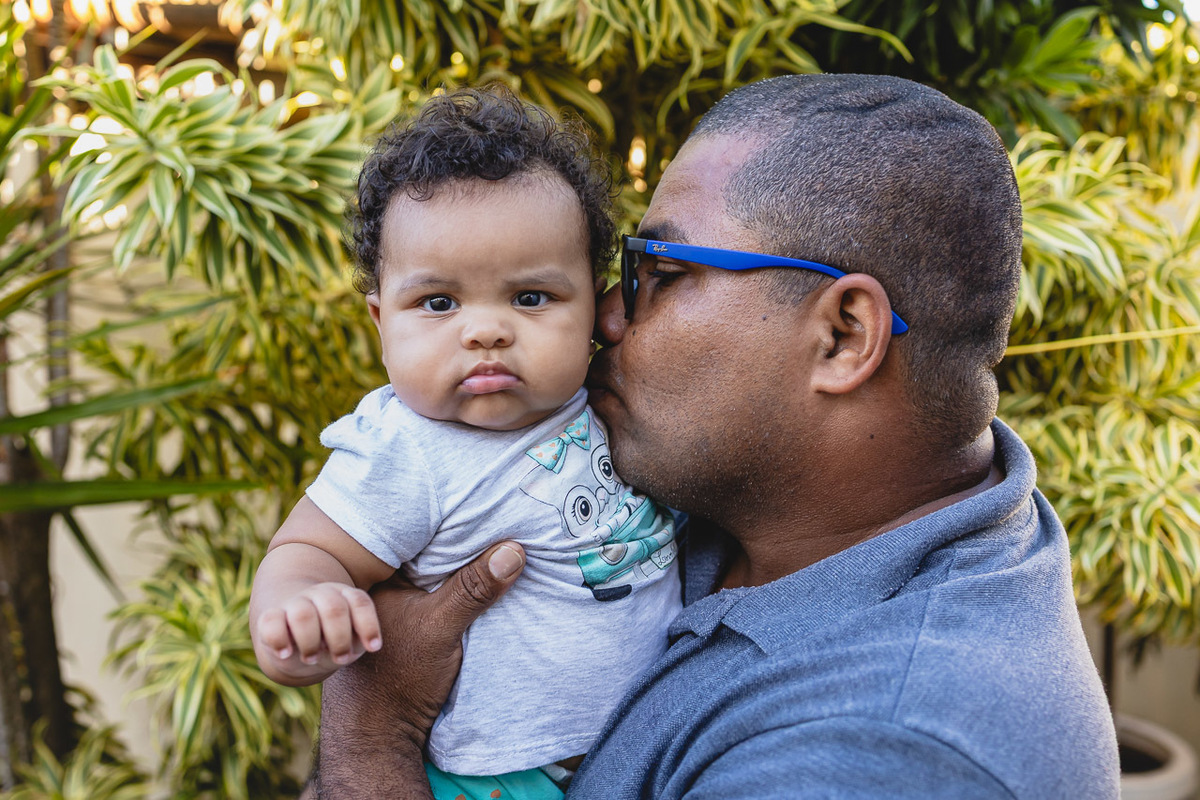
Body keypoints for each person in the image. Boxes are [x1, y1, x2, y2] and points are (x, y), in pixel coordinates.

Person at [314, 74, 1120, 799]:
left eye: (660, 273)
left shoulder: (883, 750)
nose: (606, 316)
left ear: (842, 336)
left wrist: (373, 736)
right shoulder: (747, 496)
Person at [247, 87, 682, 799]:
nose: (485, 330)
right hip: (500, 779)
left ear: (597, 306)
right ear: (381, 321)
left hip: (640, 750)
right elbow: (308, 550)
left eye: (531, 298)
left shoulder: (605, 398)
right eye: (439, 303)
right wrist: (300, 611)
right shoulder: (403, 447)